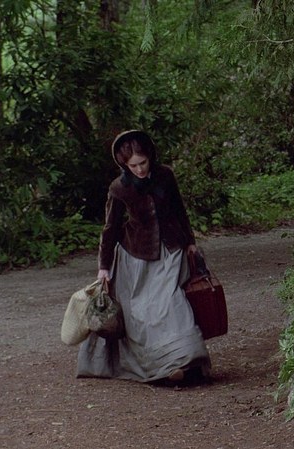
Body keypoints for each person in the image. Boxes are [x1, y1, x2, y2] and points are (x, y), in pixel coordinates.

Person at [77, 129, 211, 384]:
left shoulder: (165, 176)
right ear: (124, 165)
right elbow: (110, 228)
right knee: (141, 311)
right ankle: (160, 366)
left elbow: (179, 210)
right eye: (133, 165)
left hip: (171, 250)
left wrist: (190, 242)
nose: (139, 169)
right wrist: (104, 266)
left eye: (143, 163)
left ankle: (187, 360)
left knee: (171, 302)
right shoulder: (119, 188)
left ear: (150, 156)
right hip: (136, 257)